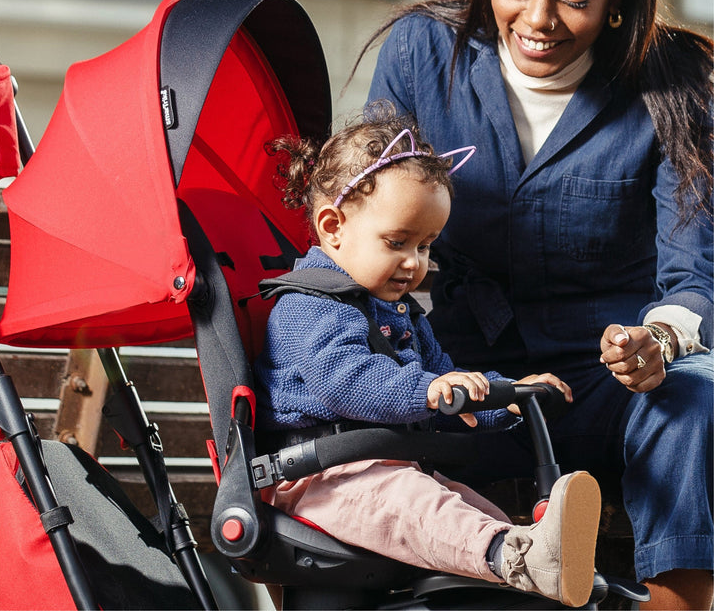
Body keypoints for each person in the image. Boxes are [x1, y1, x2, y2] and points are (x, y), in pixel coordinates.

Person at [359, 0, 713, 609]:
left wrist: (659, 341)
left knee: (695, 397)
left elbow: (694, 271)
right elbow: (370, 216)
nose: (539, 20)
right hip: (460, 377)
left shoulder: (676, 81)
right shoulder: (422, 53)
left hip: (614, 384)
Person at [254, 106, 602, 608]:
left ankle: (532, 557)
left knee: (466, 508)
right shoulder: (307, 306)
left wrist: (503, 400)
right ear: (333, 227)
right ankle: (520, 555)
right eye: (398, 242)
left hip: (380, 469)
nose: (414, 263)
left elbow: (444, 376)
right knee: (421, 506)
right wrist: (428, 392)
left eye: (427, 245)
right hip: (317, 480)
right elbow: (348, 380)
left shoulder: (398, 312)